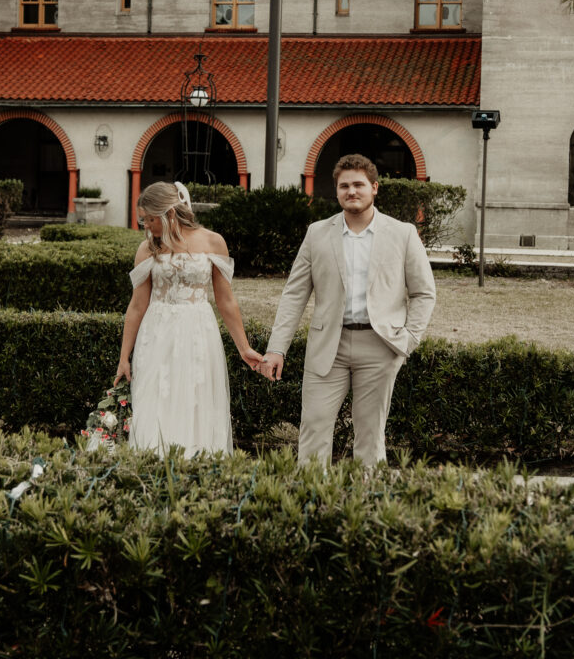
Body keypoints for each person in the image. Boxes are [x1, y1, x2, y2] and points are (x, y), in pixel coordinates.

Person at [260, 154, 436, 467]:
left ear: (374, 188)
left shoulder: (403, 233)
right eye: (344, 186)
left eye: (358, 184)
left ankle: (368, 507)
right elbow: (294, 294)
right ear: (337, 191)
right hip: (328, 345)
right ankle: (312, 503)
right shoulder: (317, 233)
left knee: (370, 434)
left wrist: (409, 339)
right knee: (313, 427)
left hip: (380, 346)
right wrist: (276, 349)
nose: (351, 191)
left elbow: (423, 292)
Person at [115, 181, 264, 456]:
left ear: (169, 213)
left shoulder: (212, 241)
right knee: (156, 399)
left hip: (198, 332)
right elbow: (137, 306)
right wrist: (124, 357)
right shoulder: (147, 248)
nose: (145, 226)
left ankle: (198, 469)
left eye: (149, 219)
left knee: (196, 399)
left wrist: (243, 347)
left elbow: (226, 300)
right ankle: (153, 466)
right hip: (157, 334)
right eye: (143, 220)